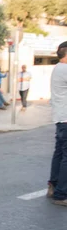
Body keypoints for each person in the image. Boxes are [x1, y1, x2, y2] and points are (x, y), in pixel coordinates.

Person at [48, 41, 67, 206]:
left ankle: (53, 186)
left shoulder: (57, 68)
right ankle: (61, 195)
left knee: (59, 153)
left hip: (61, 118)